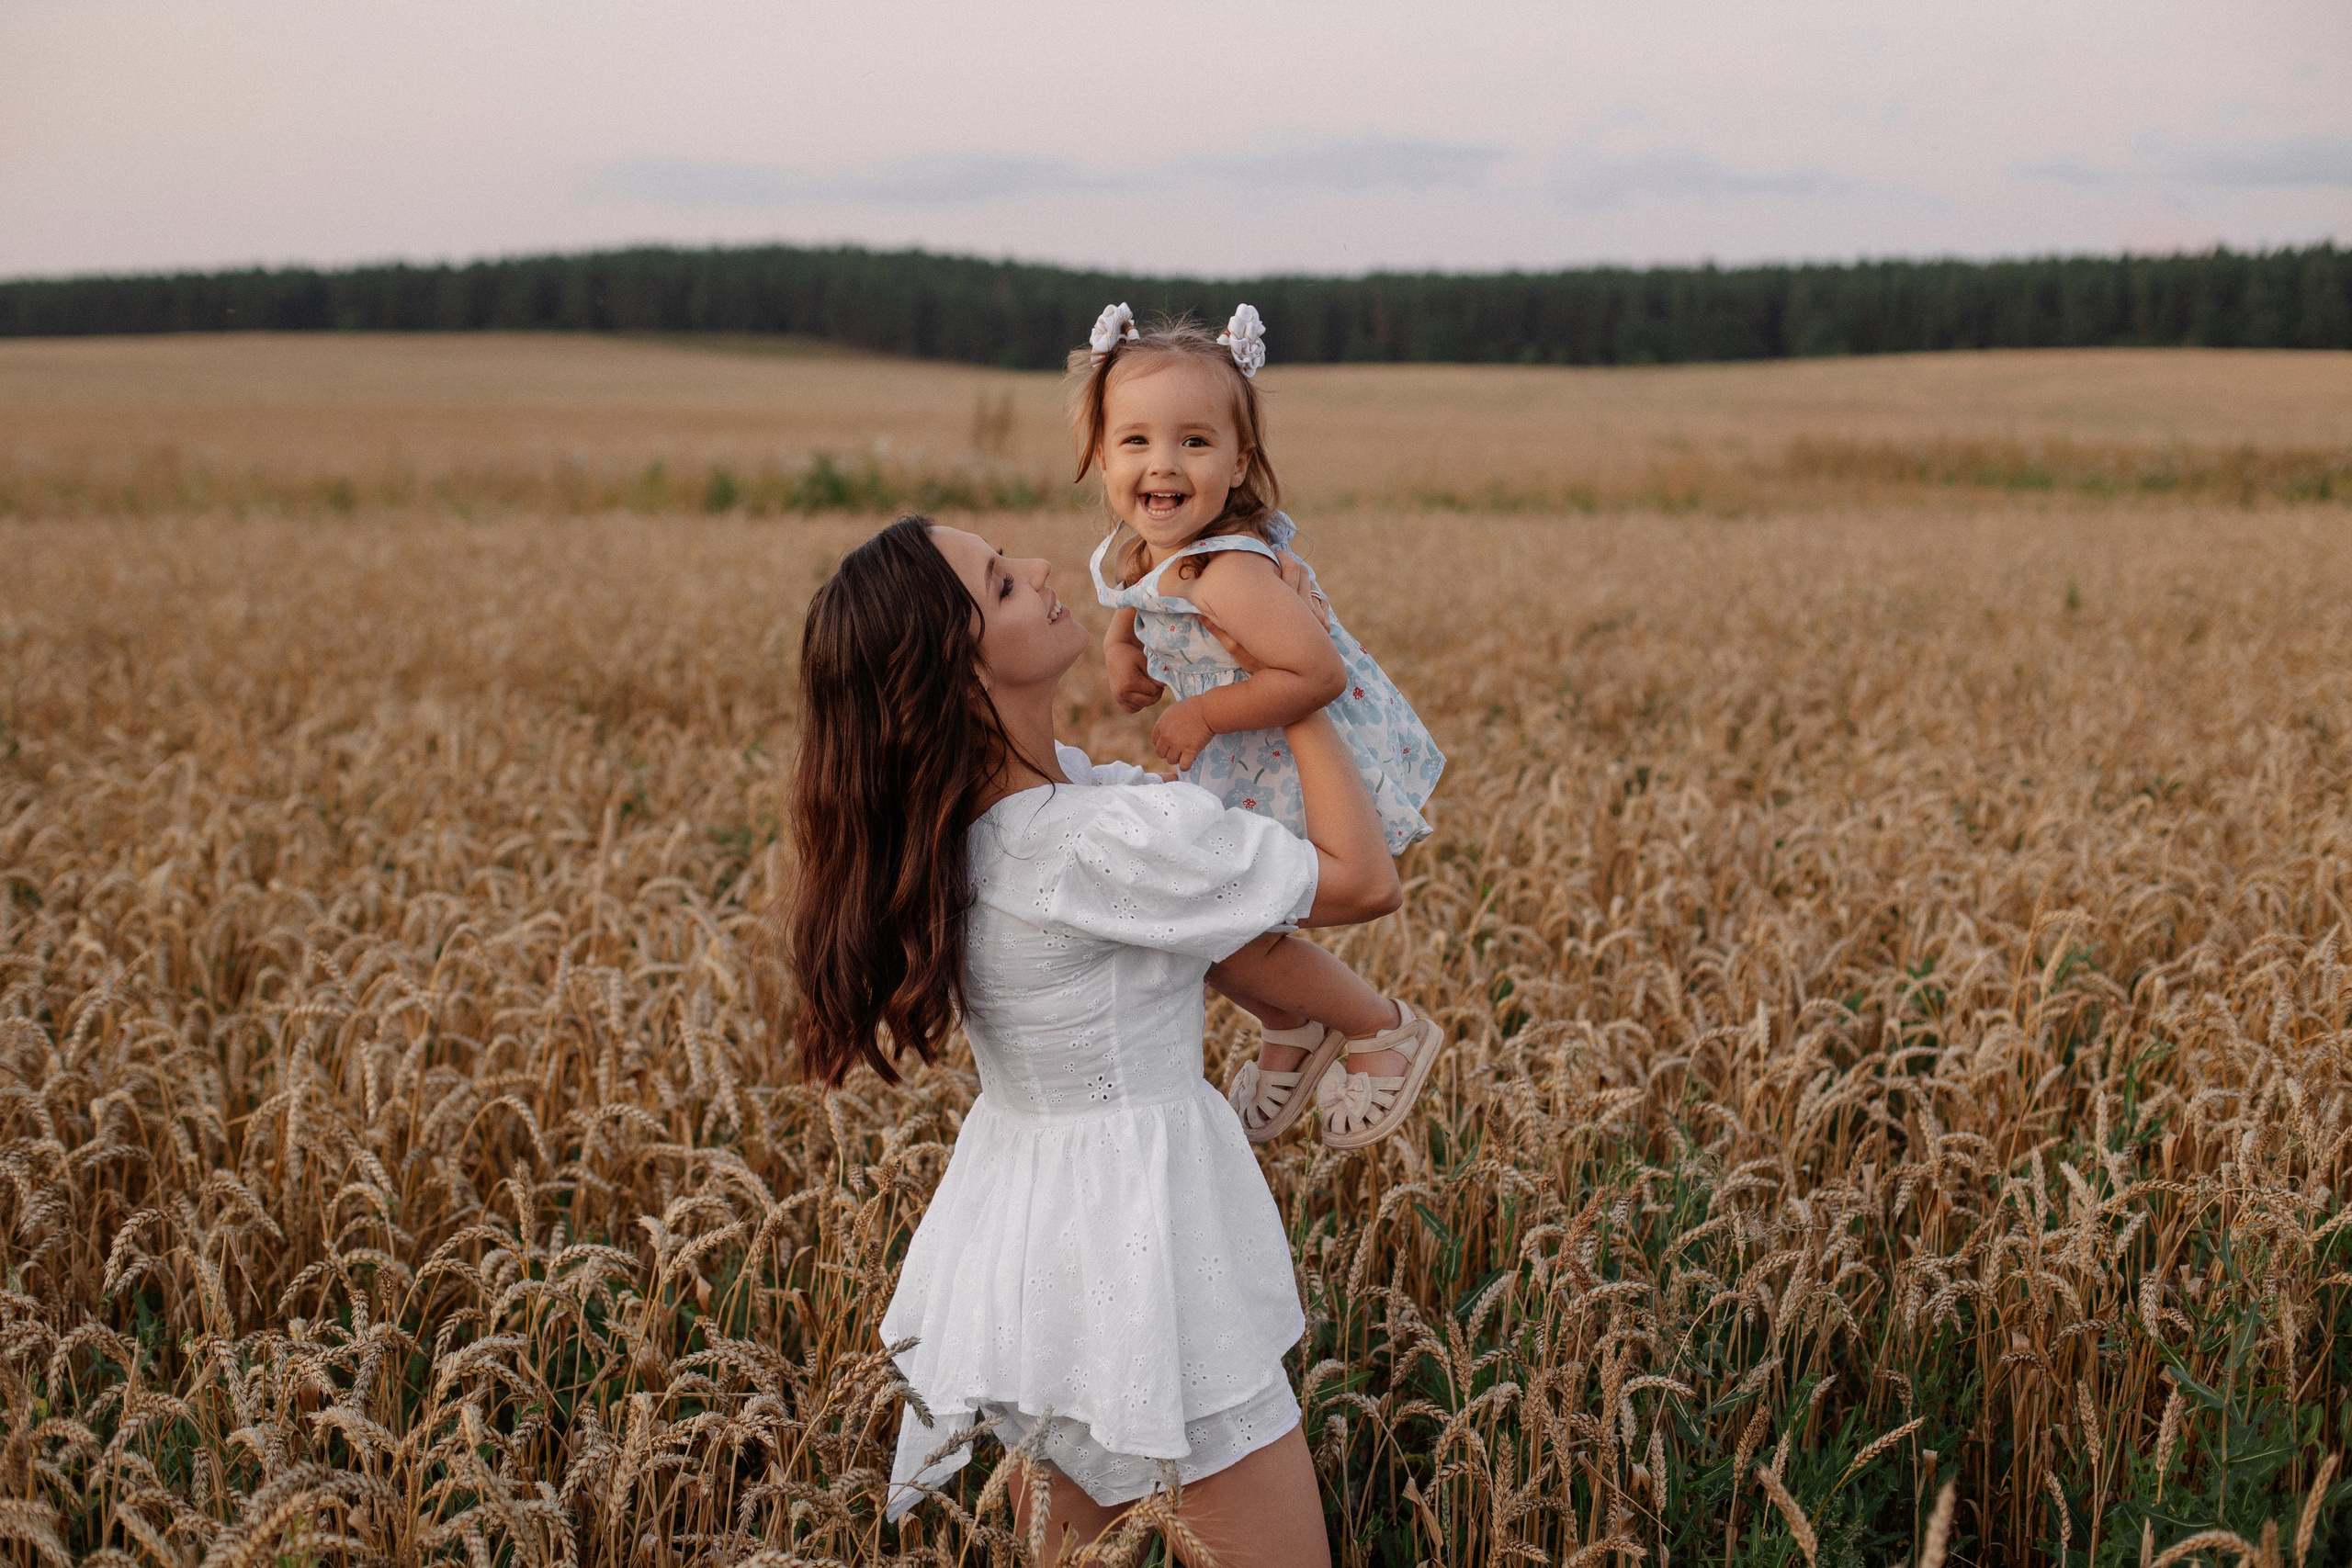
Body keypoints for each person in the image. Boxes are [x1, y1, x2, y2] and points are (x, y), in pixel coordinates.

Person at [775, 515, 1399, 1559]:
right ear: (954, 673)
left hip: (1029, 1257)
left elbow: (1202, 937)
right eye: (1002, 587)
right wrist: (1299, 684)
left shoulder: (980, 835)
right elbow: (1363, 880)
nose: (1041, 570)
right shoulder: (1093, 839)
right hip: (1151, 1259)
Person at [1076, 302, 1447, 1149]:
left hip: (1287, 757)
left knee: (1225, 920)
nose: (1162, 464)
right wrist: (1119, 640)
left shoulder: (1230, 574)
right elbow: (1139, 597)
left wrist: (1205, 709)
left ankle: (1379, 1028)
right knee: (1207, 924)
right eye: (1135, 441)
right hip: (1244, 757)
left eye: (1195, 443)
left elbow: (1317, 673)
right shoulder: (1152, 549)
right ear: (1100, 454)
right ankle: (1294, 1027)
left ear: (1240, 461)